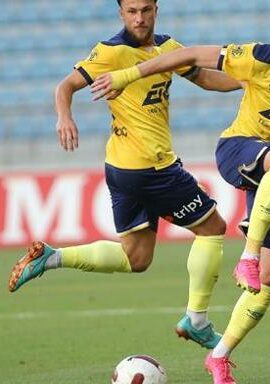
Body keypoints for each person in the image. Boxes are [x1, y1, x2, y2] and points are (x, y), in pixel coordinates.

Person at [90, 1, 270, 384]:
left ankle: (218, 356)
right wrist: (127, 76)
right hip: (239, 149)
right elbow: (187, 56)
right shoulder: (259, 56)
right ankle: (247, 257)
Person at [8, 0, 241, 351]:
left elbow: (206, 78)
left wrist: (250, 81)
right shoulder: (111, 52)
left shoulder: (168, 48)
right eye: (132, 11)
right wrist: (64, 117)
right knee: (212, 228)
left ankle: (50, 258)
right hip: (152, 167)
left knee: (137, 258)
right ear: (121, 13)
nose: (139, 18)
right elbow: (65, 87)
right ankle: (197, 321)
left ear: (156, 9)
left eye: (145, 9)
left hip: (121, 169)